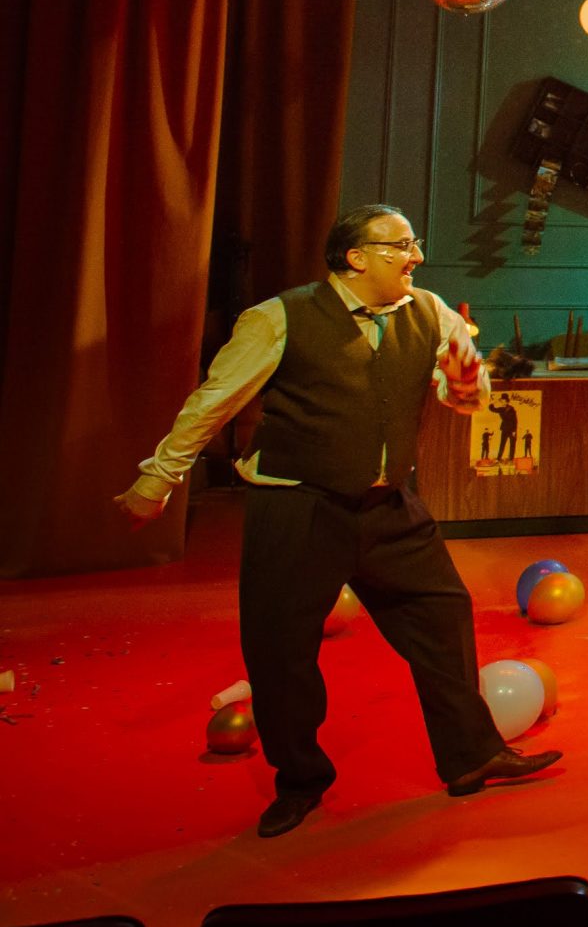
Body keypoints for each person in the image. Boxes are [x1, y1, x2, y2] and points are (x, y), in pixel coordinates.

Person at [112, 205, 562, 838]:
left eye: (414, 243)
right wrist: (157, 478)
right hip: (299, 504)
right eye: (401, 245)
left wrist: (468, 376)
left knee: (443, 617)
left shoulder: (429, 311)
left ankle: (471, 756)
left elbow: (465, 402)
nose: (416, 256)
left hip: (388, 506)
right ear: (356, 257)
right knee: (282, 653)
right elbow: (213, 403)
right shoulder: (278, 317)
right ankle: (300, 782)